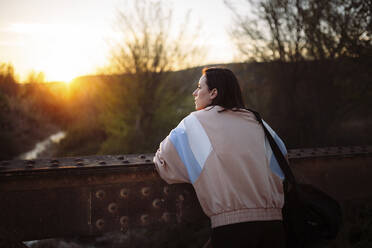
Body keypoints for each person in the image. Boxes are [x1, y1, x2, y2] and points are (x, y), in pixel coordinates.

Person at [153, 67, 287, 247]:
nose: (195, 93)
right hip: (275, 227)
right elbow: (282, 159)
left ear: (214, 93)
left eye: (199, 87)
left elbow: (165, 164)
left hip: (232, 230)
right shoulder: (258, 121)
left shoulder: (194, 123)